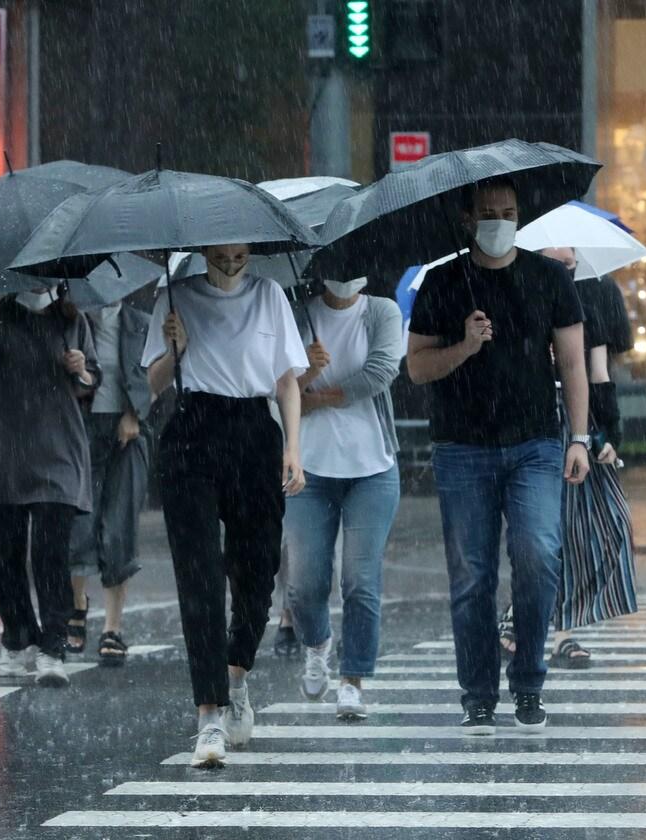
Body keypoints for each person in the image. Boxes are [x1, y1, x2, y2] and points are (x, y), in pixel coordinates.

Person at [407, 177, 590, 736]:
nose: (498, 221)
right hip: (462, 448)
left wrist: (579, 437)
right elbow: (416, 367)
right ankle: (479, 693)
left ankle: (529, 680)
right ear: (468, 219)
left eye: (507, 212)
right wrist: (464, 345)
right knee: (472, 577)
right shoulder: (442, 283)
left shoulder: (549, 278)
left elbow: (574, 363)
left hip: (534, 443)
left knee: (538, 557)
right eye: (487, 212)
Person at [143, 243, 307, 768]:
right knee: (199, 577)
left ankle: (237, 672)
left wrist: (293, 447)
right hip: (192, 429)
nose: (231, 267)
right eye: (221, 257)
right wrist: (177, 351)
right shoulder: (176, 297)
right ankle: (207, 714)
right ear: (204, 252)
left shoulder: (271, 296)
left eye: (240, 258)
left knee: (257, 570)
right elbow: (151, 382)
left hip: (255, 431)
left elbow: (287, 381)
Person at [498, 247, 637, 670]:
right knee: (542, 528)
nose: (565, 257)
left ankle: (551, 625)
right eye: (555, 252)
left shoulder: (597, 289)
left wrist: (606, 434)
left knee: (602, 526)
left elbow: (598, 370)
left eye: (571, 252)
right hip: (530, 417)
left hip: (580, 422)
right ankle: (537, 623)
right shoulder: (518, 283)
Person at [0, 284, 100, 688]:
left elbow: (92, 381)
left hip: (58, 452)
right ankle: (17, 639)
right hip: (3, 452)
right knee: (6, 554)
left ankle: (52, 646)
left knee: (51, 554)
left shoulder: (72, 317)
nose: (39, 280)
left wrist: (81, 370)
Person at [284, 276, 404, 721]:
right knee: (304, 582)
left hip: (372, 468)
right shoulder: (299, 312)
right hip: (308, 468)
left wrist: (314, 398)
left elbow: (379, 373)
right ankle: (317, 645)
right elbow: (277, 388)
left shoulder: (382, 312)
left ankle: (352, 679)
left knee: (360, 580)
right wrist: (309, 373)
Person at [67, 296, 153, 666]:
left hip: (127, 432)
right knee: (77, 525)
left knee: (119, 529)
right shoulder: (72, 320)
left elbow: (155, 375)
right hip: (79, 430)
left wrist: (135, 413)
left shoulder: (141, 323)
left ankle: (112, 628)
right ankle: (76, 605)